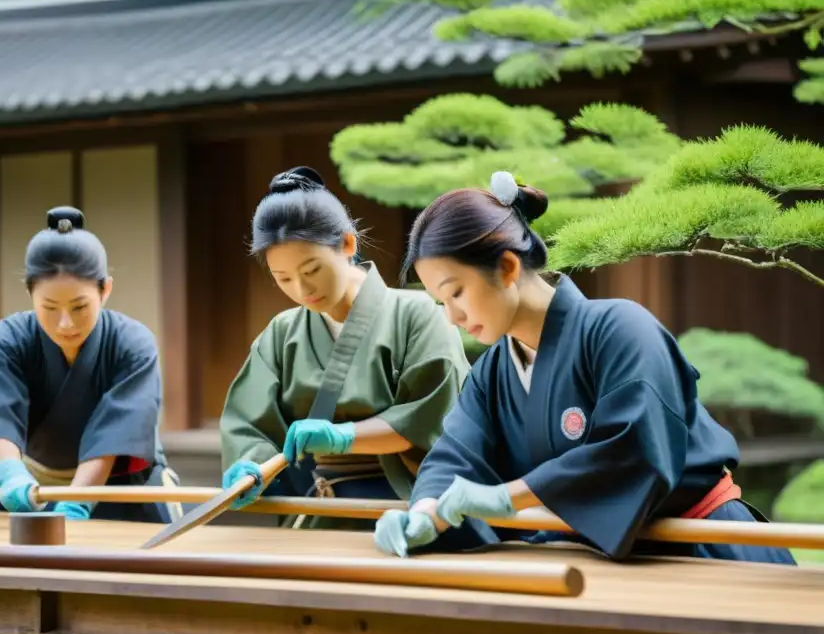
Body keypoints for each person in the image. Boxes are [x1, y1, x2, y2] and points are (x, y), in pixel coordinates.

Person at [373, 171, 797, 565]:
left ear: (506, 267)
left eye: (456, 293)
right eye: (440, 303)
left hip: (701, 548)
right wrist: (427, 511)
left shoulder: (621, 328)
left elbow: (634, 450)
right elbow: (455, 455)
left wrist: (509, 496)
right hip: (604, 564)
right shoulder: (491, 373)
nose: (452, 317)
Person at [218, 166, 472, 530]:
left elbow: (432, 417)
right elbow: (248, 425)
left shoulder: (418, 316)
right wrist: (250, 465)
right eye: (284, 279)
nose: (302, 290)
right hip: (321, 505)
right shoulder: (281, 334)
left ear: (348, 244)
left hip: (409, 504)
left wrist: (344, 438)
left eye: (312, 269)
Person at [0, 206, 182, 524]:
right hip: (29, 485)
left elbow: (116, 434)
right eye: (49, 307)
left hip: (113, 482)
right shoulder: (8, 339)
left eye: (79, 307)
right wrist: (10, 475)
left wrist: (78, 500)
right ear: (30, 293)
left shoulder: (133, 344)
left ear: (105, 290)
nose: (65, 324)